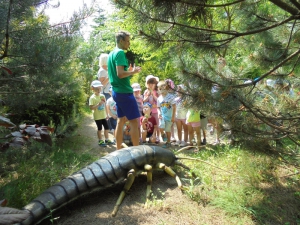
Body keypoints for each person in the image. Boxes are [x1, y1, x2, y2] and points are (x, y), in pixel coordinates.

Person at [107, 31, 141, 149]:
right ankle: (137, 152)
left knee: (120, 121)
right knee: (134, 122)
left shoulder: (111, 54)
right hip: (124, 92)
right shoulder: (120, 52)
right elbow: (120, 74)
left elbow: (118, 74)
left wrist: (129, 72)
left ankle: (118, 149)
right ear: (121, 41)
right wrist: (133, 71)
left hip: (116, 92)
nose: (129, 44)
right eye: (127, 41)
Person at [89, 80, 114, 147]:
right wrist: (98, 104)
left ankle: (107, 139)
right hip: (97, 116)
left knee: (107, 128)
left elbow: (105, 105)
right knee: (99, 128)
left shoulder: (102, 96)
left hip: (103, 116)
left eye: (100, 88)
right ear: (93, 89)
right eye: (97, 88)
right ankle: (100, 140)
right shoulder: (92, 98)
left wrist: (107, 114)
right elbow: (91, 108)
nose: (99, 89)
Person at [157, 80, 176, 148]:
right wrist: (159, 113)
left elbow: (174, 107)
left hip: (169, 117)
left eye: (163, 88)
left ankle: (168, 142)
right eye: (160, 88)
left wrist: (173, 117)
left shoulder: (171, 97)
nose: (161, 90)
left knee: (168, 130)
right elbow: (158, 107)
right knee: (161, 127)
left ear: (166, 88)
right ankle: (162, 134)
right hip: (162, 116)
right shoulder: (159, 98)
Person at [97, 53, 113, 132]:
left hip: (109, 92)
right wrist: (109, 77)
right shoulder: (102, 71)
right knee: (107, 110)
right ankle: (109, 128)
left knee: (110, 109)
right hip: (105, 93)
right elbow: (101, 84)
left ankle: (111, 127)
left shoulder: (106, 70)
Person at [143, 75, 160, 143]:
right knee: (149, 124)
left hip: (155, 111)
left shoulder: (157, 91)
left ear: (155, 84)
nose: (151, 85)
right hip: (148, 112)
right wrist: (148, 95)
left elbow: (158, 101)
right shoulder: (146, 91)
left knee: (156, 125)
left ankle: (157, 137)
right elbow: (144, 101)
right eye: (149, 83)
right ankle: (149, 137)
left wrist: (153, 94)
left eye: (152, 83)